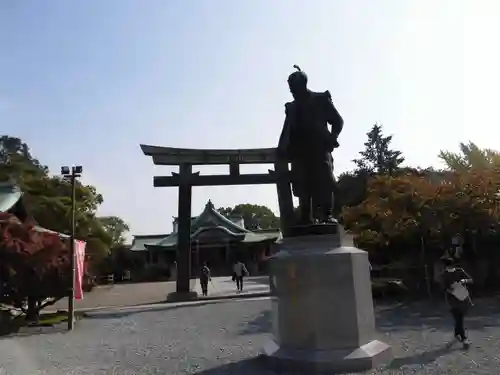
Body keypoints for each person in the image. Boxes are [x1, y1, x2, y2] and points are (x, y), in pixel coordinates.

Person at [277, 65, 344, 224]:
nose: (292, 91)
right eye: (290, 88)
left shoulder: (321, 100)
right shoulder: (292, 107)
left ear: (302, 85)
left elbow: (337, 121)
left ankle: (327, 214)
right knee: (302, 183)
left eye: (294, 87)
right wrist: (283, 148)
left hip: (319, 148)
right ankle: (306, 217)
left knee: (324, 181)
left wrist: (333, 137)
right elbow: (287, 130)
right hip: (299, 150)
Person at [440, 257, 473, 348]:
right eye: (447, 267)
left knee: (459, 318)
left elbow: (470, 279)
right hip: (453, 300)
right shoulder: (444, 275)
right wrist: (454, 291)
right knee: (459, 319)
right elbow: (444, 288)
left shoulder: (459, 271)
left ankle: (457, 335)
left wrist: (464, 281)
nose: (449, 269)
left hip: (462, 298)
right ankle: (464, 338)